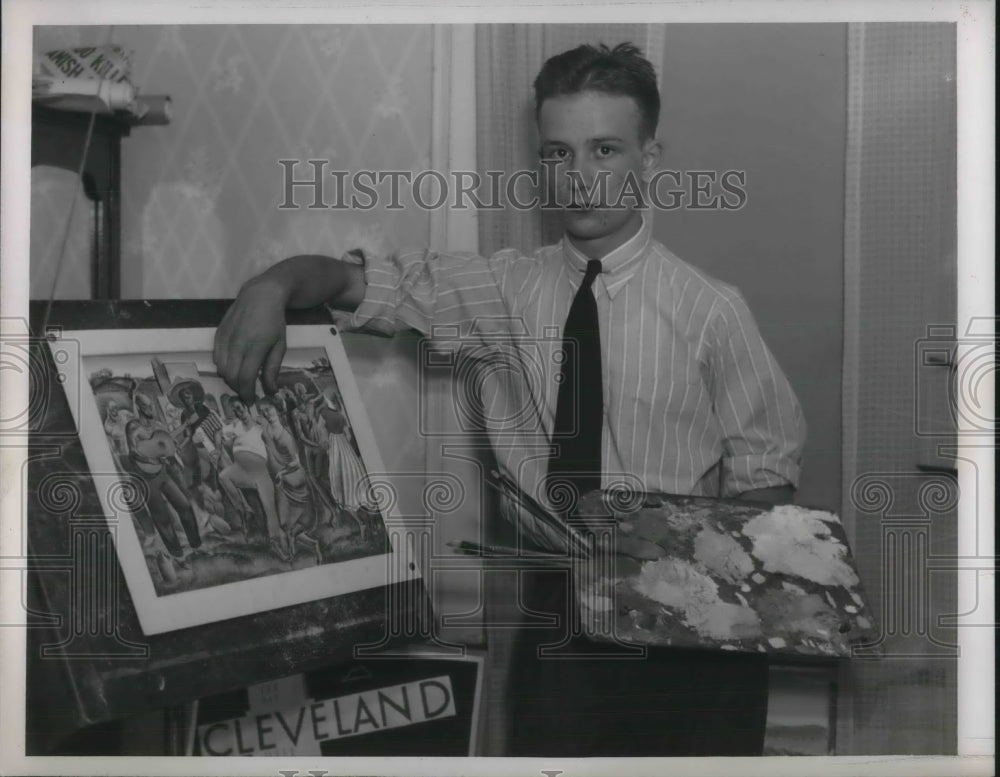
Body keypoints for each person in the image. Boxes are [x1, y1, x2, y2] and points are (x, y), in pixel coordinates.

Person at [214, 42, 805, 756]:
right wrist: (271, 285)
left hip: (691, 630)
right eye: (558, 154)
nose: (580, 179)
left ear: (650, 158)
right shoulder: (502, 290)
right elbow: (353, 284)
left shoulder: (713, 310)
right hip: (558, 619)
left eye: (605, 150)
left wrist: (699, 586)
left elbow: (765, 472)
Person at [124, 392, 202, 558]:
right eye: (146, 406)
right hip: (146, 478)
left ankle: (197, 546)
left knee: (185, 507)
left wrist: (174, 447)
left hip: (162, 473)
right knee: (162, 518)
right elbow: (132, 452)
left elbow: (168, 445)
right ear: (139, 407)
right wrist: (151, 460)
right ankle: (177, 554)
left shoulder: (159, 425)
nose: (150, 408)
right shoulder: (133, 427)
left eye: (150, 405)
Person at [215, 396, 286, 558]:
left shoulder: (260, 424)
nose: (238, 412)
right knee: (224, 476)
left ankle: (278, 546)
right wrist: (218, 449)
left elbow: (275, 437)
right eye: (235, 410)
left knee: (270, 510)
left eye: (240, 408)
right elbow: (218, 433)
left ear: (246, 407)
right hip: (240, 470)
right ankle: (245, 510)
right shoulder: (235, 426)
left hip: (260, 473)